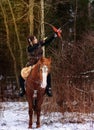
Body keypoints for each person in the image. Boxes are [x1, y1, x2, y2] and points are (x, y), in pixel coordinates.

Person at [19, 28, 62, 97]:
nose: (36, 39)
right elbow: (33, 48)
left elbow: (48, 41)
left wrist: (55, 35)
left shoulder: (39, 44)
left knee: (48, 73)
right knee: (21, 75)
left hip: (40, 63)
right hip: (31, 64)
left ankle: (49, 89)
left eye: (36, 39)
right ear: (31, 41)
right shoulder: (29, 48)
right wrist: (40, 43)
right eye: (35, 39)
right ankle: (22, 90)